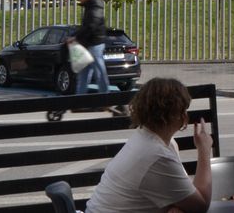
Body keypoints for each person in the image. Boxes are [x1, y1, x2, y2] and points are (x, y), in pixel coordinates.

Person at [86, 77, 213, 213]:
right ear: (174, 114)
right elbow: (201, 205)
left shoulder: (148, 139)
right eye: (183, 109)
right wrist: (204, 150)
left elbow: (184, 195)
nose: (185, 115)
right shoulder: (157, 155)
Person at [70, 0, 109, 96]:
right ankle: (80, 99)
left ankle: (106, 97)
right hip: (87, 44)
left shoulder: (94, 9)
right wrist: (76, 36)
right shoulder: (90, 7)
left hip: (95, 44)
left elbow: (91, 26)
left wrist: (76, 37)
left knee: (99, 71)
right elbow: (86, 27)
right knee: (83, 72)